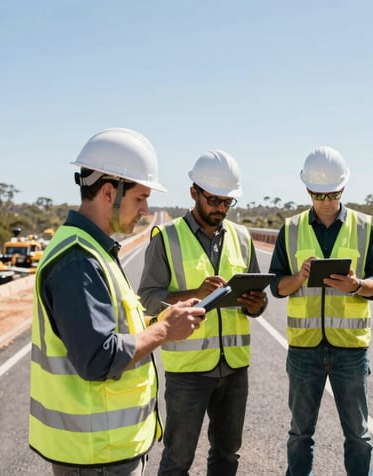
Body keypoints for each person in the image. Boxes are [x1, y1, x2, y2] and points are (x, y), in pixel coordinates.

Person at [29, 128, 206, 475]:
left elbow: (115, 330)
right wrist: (164, 332)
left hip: (106, 450)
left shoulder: (93, 250)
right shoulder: (79, 261)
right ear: (109, 192)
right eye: (140, 198)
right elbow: (98, 358)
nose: (145, 210)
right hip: (97, 455)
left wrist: (160, 322)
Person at [137, 149, 267, 476]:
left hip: (234, 367)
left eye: (227, 202)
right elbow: (148, 300)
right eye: (213, 200)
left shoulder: (242, 237)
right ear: (194, 192)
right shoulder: (166, 238)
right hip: (188, 372)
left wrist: (257, 305)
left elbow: (257, 297)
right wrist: (195, 294)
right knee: (177, 460)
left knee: (227, 455)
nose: (220, 208)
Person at [268, 146, 373, 476]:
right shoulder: (291, 229)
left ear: (343, 187)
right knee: (300, 434)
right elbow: (276, 286)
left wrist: (356, 285)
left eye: (332, 194)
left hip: (350, 349)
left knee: (359, 436)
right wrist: (299, 277)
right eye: (318, 194)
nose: (325, 201)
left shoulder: (365, 227)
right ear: (307, 189)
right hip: (304, 348)